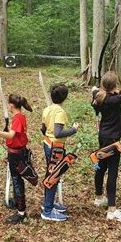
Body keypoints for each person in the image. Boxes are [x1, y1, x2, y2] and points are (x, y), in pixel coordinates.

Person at [0, 94, 36, 224]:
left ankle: (21, 212)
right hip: (17, 153)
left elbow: (11, 135)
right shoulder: (20, 117)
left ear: (12, 105)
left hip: (17, 155)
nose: (8, 106)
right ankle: (17, 202)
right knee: (16, 180)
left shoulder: (18, 119)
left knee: (17, 181)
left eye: (8, 104)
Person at [91, 71, 121, 223]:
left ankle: (98, 197)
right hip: (113, 139)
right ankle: (112, 210)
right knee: (113, 172)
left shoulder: (99, 97)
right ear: (114, 85)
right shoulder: (114, 99)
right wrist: (118, 90)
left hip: (103, 137)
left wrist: (97, 90)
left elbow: (96, 98)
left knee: (101, 166)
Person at [41, 83, 79, 222]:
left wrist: (49, 134)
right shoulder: (60, 112)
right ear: (65, 97)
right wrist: (73, 129)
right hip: (55, 148)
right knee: (54, 176)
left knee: (50, 174)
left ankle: (48, 203)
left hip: (47, 144)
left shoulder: (47, 109)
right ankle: (48, 211)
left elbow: (43, 129)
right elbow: (58, 133)